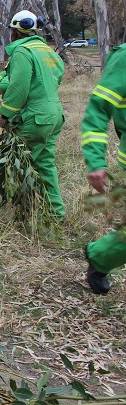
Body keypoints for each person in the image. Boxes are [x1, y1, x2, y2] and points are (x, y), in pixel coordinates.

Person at [0, 10, 65, 220]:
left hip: (35, 118)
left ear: (15, 32)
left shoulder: (22, 52)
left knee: (10, 161)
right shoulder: (48, 52)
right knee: (45, 164)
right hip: (54, 116)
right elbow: (56, 78)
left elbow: (19, 86)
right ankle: (56, 213)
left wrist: (5, 114)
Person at [80, 42, 126, 294]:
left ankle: (99, 256)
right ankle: (100, 257)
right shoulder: (124, 59)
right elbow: (97, 111)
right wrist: (96, 162)